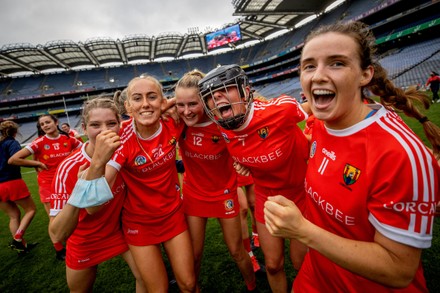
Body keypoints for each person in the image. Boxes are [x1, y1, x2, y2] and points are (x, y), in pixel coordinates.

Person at [263, 21, 440, 292]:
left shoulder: (398, 154)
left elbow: (399, 270)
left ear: (365, 74)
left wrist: (302, 231)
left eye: (336, 63)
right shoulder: (322, 124)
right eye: (309, 65)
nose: (318, 76)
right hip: (315, 278)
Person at [198, 64, 310, 292]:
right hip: (266, 198)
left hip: (301, 196)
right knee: (273, 265)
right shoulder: (220, 128)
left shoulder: (280, 110)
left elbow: (322, 111)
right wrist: (245, 163)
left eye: (226, 88)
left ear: (245, 91)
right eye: (211, 95)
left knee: (301, 264)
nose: (217, 97)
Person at [80, 75, 197, 292]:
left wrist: (170, 105)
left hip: (172, 215)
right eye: (137, 98)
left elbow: (197, 104)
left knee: (189, 284)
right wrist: (96, 165)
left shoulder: (174, 122)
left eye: (152, 97)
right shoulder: (121, 138)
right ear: (128, 106)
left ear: (162, 101)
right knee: (158, 289)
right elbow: (92, 205)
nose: (145, 103)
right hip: (139, 224)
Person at [48, 97, 146, 292]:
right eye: (95, 125)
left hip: (119, 231)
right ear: (84, 128)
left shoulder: (122, 148)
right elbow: (57, 234)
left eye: (111, 123)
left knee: (147, 276)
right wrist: (86, 180)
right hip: (85, 239)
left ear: (120, 125)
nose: (105, 131)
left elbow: (150, 111)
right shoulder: (68, 168)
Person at [175, 70, 257, 291]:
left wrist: (244, 162)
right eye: (180, 105)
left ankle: (252, 286)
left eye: (192, 104)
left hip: (224, 195)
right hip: (193, 196)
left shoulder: (224, 123)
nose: (186, 111)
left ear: (205, 100)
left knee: (237, 251)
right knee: (194, 253)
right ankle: (194, 287)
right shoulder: (178, 123)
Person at [9, 114, 82, 260]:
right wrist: (37, 164)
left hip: (66, 183)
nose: (45, 126)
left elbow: (85, 149)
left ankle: (76, 242)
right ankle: (59, 250)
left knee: (73, 213)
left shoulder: (68, 139)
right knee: (54, 218)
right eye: (42, 124)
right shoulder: (39, 142)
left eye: (48, 122)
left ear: (56, 123)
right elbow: (14, 159)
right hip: (48, 184)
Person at [0, 121, 37, 254]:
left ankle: (21, 247)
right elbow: (16, 160)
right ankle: (17, 239)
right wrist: (36, 163)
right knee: (31, 210)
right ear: (15, 132)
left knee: (14, 216)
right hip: (12, 181)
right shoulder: (12, 143)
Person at [236, 172, 264, 272]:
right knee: (242, 209)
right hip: (230, 168)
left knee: (253, 204)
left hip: (244, 163)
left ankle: (256, 234)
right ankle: (249, 255)